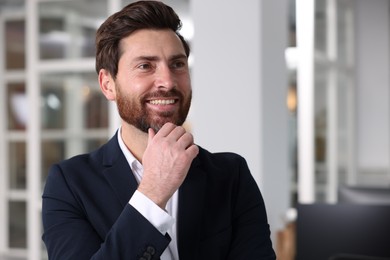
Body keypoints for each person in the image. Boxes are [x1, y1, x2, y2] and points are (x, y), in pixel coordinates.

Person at [41, 1, 276, 259]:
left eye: (177, 64)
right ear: (108, 85)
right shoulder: (69, 183)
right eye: (145, 66)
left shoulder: (232, 176)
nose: (168, 81)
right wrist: (153, 192)